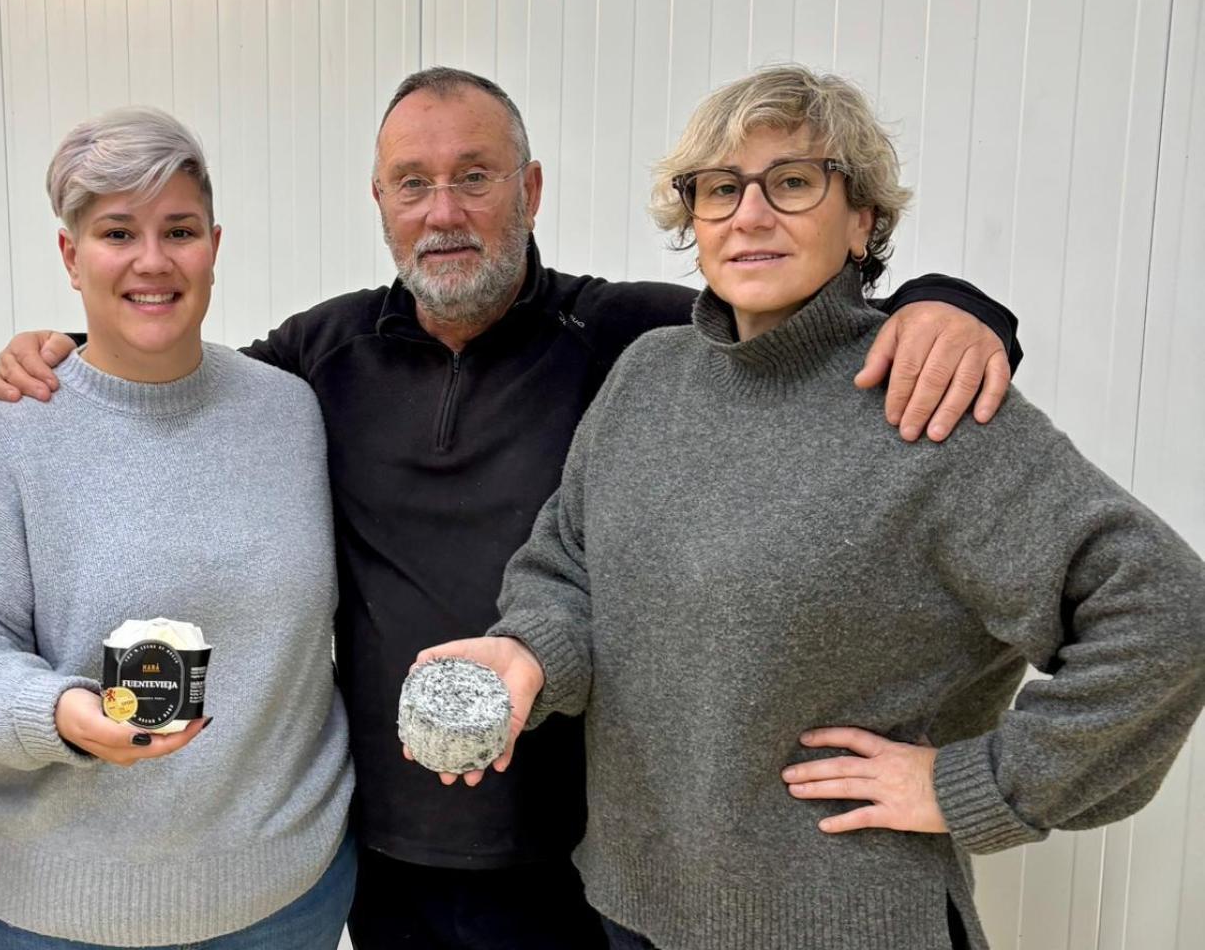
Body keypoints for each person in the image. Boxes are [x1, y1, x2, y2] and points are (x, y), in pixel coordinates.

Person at [0, 68, 1024, 949]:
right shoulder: (317, 357)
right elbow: (171, 387)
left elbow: (798, 324)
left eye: (473, 178)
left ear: (527, 188)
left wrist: (954, 307)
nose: (443, 211)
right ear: (380, 203)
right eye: (412, 184)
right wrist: (61, 357)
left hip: (584, 851)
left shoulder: (635, 343)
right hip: (381, 849)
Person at [418, 65, 1205, 950]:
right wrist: (530, 652)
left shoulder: (927, 402)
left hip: (840, 920)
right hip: (635, 906)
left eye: (792, 182)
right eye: (720, 189)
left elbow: (1168, 613)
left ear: (861, 217)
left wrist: (973, 782)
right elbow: (568, 565)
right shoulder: (648, 377)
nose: (750, 215)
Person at [0, 106, 354, 950]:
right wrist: (55, 712)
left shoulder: (290, 413)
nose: (152, 261)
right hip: (49, 914)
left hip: (285, 899)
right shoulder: (6, 434)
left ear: (215, 242)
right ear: (70, 254)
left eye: (178, 229)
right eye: (115, 232)